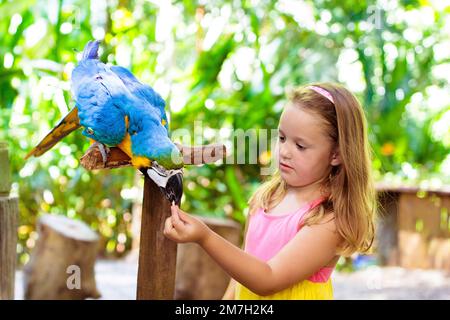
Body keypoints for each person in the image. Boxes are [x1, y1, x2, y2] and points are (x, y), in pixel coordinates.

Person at [163, 83, 377, 300]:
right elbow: (242, 273)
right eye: (282, 138)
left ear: (336, 155)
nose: (284, 151)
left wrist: (205, 237)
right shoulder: (267, 198)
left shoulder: (327, 220)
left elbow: (268, 280)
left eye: (300, 146)